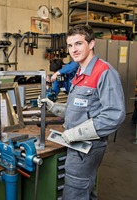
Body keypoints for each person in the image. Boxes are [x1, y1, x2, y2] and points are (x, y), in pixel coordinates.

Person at [42, 24, 126, 199]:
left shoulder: (104, 72)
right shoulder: (80, 72)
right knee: (85, 191)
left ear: (92, 43)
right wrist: (53, 107)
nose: (74, 49)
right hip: (76, 142)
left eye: (79, 44)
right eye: (70, 45)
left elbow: (114, 115)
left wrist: (74, 133)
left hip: (87, 147)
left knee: (74, 193)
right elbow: (80, 109)